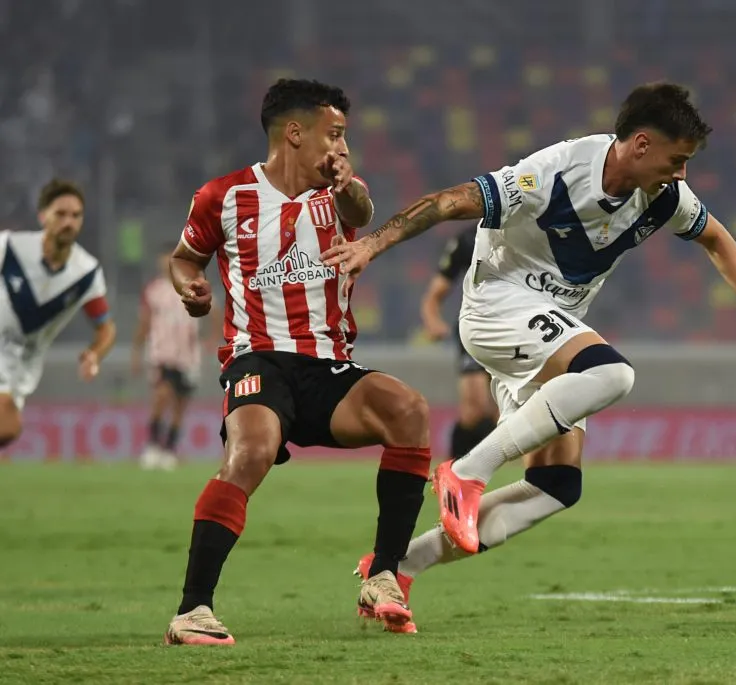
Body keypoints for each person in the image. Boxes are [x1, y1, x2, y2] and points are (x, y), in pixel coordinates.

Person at [323, 82, 736, 588]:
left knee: (555, 485)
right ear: (640, 144)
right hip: (496, 306)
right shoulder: (556, 172)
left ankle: (395, 568)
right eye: (676, 159)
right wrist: (373, 243)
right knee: (611, 373)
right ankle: (467, 471)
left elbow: (716, 237)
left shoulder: (665, 196)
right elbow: (448, 202)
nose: (681, 174)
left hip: (548, 328)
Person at [163, 78, 433, 644]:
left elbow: (362, 208)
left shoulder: (341, 195)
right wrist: (191, 288)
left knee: (409, 410)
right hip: (256, 359)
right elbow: (186, 259)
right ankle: (192, 611)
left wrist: (345, 183)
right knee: (253, 449)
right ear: (294, 133)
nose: (340, 145)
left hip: (328, 368)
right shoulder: (223, 196)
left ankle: (383, 576)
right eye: (333, 133)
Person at [0, 179, 116, 448]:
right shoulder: (10, 247)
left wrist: (94, 354)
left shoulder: (86, 273)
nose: (69, 222)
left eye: (76, 215)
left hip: (24, 364)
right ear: (43, 216)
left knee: (8, 428)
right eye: (61, 214)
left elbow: (106, 328)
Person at [131, 244, 219, 470]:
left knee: (181, 404)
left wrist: (212, 339)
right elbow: (144, 323)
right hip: (162, 353)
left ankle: (169, 450)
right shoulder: (154, 290)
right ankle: (152, 446)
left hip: (188, 356)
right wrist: (136, 352)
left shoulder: (194, 285)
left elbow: (216, 312)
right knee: (162, 395)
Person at [420, 225, 498, 460]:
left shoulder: (529, 230)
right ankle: (453, 470)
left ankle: (479, 470)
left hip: (517, 326)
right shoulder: (467, 239)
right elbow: (435, 293)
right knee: (474, 409)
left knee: (499, 413)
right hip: (476, 326)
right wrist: (432, 320)